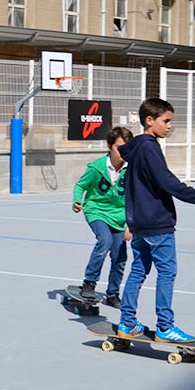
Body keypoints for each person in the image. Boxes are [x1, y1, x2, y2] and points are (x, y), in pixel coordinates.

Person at [116, 97, 195, 343]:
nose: (169, 126)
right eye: (165, 121)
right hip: (157, 223)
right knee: (167, 272)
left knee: (138, 270)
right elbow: (168, 182)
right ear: (150, 120)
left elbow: (129, 186)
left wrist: (131, 220)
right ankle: (165, 327)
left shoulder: (136, 149)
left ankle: (126, 324)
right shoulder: (149, 147)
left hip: (139, 224)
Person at [71, 126, 134, 308]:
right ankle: (89, 283)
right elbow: (80, 186)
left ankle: (113, 294)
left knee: (120, 257)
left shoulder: (131, 169)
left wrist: (131, 223)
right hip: (96, 210)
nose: (123, 152)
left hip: (120, 216)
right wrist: (77, 200)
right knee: (104, 241)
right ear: (109, 146)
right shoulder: (96, 167)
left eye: (127, 148)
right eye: (119, 147)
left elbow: (135, 197)